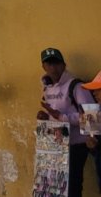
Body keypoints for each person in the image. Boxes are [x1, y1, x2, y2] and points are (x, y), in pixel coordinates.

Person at [36, 47, 94, 197]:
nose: (53, 68)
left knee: (73, 187)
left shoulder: (76, 86)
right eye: (49, 64)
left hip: (76, 145)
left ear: (64, 65)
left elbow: (92, 119)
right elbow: (53, 114)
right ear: (43, 67)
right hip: (56, 143)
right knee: (55, 189)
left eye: (56, 63)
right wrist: (46, 117)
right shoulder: (47, 88)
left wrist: (62, 117)